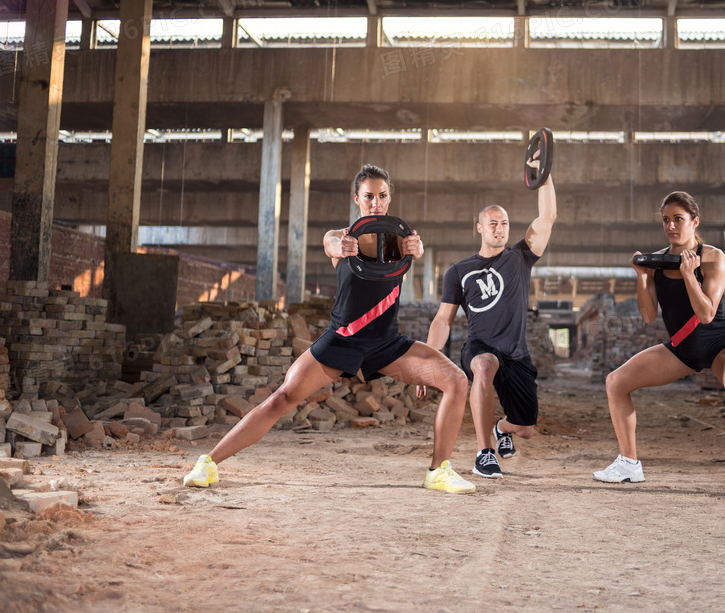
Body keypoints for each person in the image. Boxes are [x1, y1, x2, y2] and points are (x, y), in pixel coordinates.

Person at [184, 164, 475, 494]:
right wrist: (340, 247)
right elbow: (331, 243)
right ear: (356, 198)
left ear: (389, 198)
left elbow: (415, 249)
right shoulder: (342, 237)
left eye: (382, 196)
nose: (376, 203)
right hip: (344, 340)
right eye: (368, 197)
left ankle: (438, 471)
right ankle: (208, 463)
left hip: (387, 343)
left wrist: (417, 249)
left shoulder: (403, 240)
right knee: (283, 398)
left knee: (456, 380)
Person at [593, 191, 725, 501]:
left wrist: (688, 275)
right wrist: (642, 276)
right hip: (682, 348)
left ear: (694, 222)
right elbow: (647, 316)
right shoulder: (657, 262)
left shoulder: (714, 258)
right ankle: (629, 464)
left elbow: (707, 313)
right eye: (666, 220)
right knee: (615, 382)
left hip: (721, 345)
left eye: (679, 219)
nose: (671, 226)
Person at [425, 162, 556, 479]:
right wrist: (427, 361)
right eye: (493, 223)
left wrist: (545, 174)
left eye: (505, 223)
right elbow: (443, 319)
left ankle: (501, 428)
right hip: (480, 345)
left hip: (517, 353)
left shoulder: (520, 257)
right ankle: (485, 454)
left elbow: (547, 217)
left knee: (525, 429)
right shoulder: (459, 271)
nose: (500, 228)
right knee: (483, 366)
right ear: (480, 228)